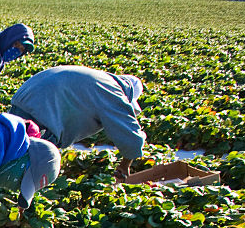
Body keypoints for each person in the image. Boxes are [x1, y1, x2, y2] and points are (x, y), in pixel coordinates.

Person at [9, 65, 146, 179]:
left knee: (10, 146)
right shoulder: (113, 91)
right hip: (44, 112)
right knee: (32, 161)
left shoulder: (100, 78)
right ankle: (18, 195)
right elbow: (131, 135)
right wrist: (125, 164)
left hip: (25, 98)